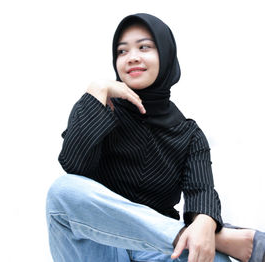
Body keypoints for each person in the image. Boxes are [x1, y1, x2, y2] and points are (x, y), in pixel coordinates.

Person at [46, 13, 265, 262]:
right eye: (122, 51)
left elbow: (201, 192)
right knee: (61, 191)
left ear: (166, 53)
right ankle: (188, 235)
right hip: (98, 245)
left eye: (144, 47)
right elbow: (73, 168)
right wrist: (96, 89)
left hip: (157, 253)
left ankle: (193, 238)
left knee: (209, 256)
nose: (132, 57)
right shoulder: (102, 108)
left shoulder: (189, 135)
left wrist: (204, 222)